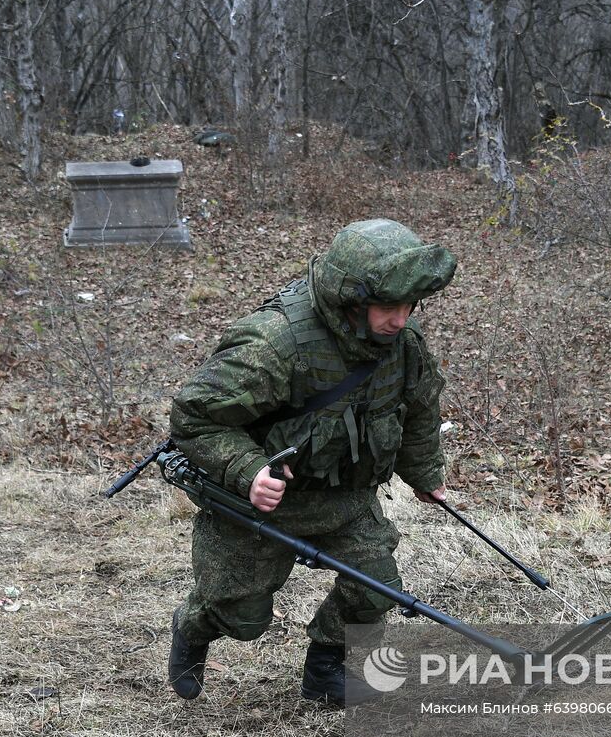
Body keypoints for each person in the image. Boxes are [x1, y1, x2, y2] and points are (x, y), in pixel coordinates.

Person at [166, 218, 456, 706]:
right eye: (389, 307)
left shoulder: (402, 343)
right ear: (351, 301)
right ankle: (194, 626)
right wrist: (249, 471)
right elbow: (195, 418)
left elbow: (419, 407)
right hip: (261, 505)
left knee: (375, 589)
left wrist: (424, 474)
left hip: (345, 497)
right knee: (242, 616)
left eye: (410, 306)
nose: (402, 320)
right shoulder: (275, 344)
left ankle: (326, 669)